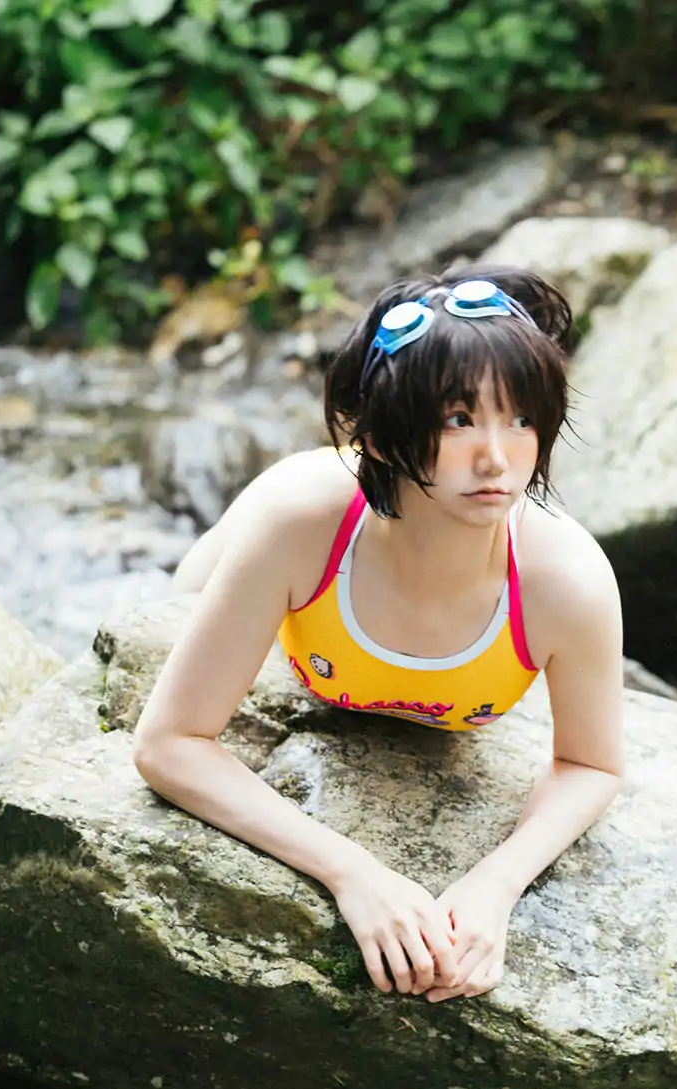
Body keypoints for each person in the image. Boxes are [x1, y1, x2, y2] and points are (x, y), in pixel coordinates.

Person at [133, 267, 625, 1004]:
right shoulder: (298, 526)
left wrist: (496, 884)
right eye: (458, 420)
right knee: (165, 621)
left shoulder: (567, 580)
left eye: (521, 418)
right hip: (286, 560)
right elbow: (168, 743)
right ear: (381, 438)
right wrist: (351, 873)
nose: (496, 457)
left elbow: (593, 765)